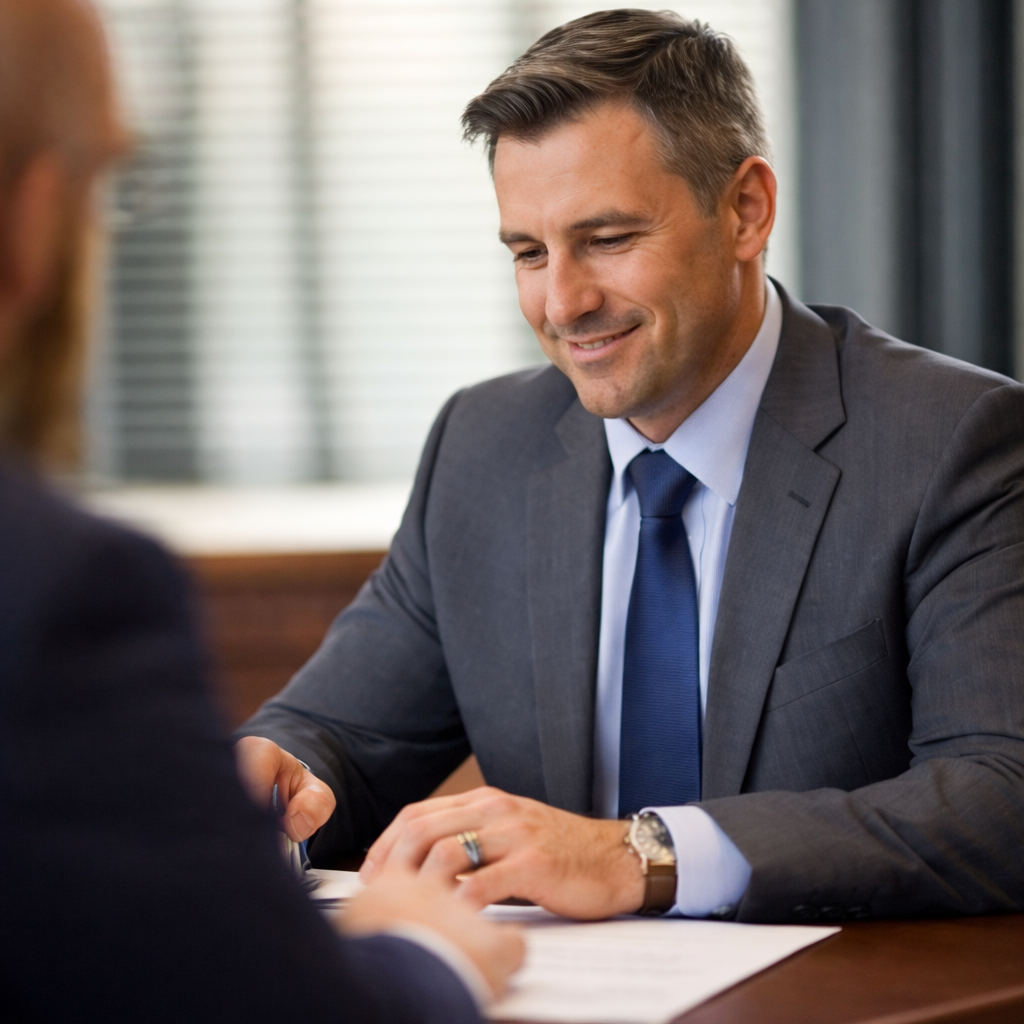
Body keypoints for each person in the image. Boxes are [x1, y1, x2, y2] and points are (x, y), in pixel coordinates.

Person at [237, 9, 1024, 923]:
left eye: (607, 240)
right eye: (529, 253)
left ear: (746, 210)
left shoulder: (951, 442)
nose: (563, 302)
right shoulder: (482, 447)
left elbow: (1001, 795)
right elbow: (341, 735)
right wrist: (276, 775)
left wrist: (642, 855)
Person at [0, 1, 522, 1019]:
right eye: (526, 252)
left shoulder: (922, 431)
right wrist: (427, 953)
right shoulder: (57, 585)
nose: (560, 302)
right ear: (33, 213)